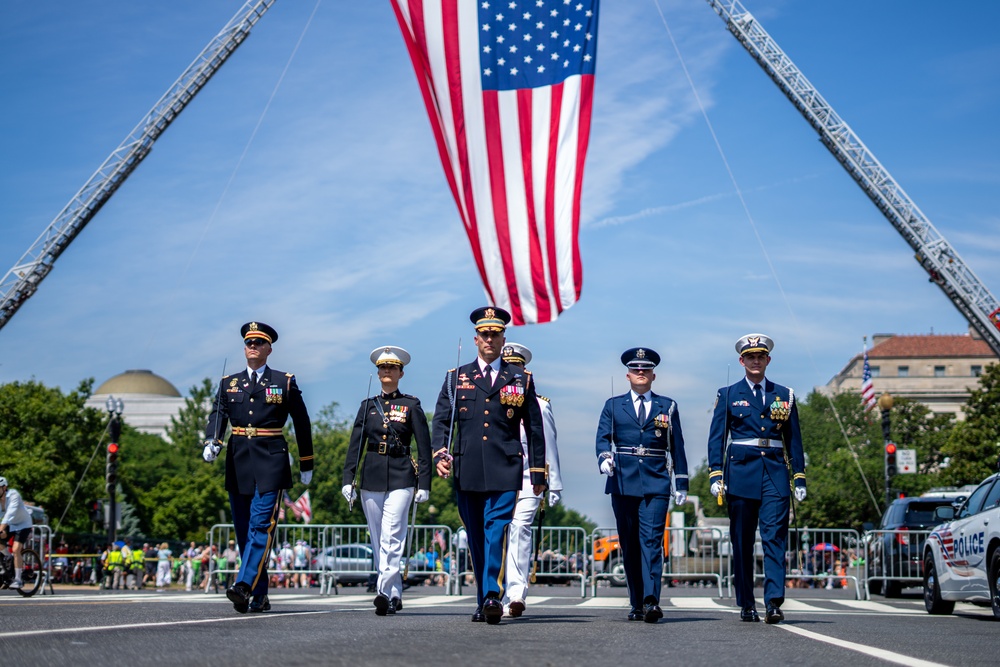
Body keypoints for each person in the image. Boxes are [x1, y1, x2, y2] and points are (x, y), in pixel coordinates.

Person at [431, 307, 545, 625]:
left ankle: (493, 594)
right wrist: (441, 453)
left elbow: (534, 428)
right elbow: (442, 420)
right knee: (477, 536)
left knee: (496, 529)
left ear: (503, 338)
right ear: (476, 339)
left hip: (506, 467)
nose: (490, 339)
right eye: (485, 334)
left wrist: (537, 472)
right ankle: (484, 600)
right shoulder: (456, 378)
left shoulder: (520, 378)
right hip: (467, 468)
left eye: (496, 334)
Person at [202, 321, 314, 614]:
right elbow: (219, 413)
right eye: (249, 343)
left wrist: (306, 462)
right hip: (238, 459)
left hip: (271, 460)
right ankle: (259, 595)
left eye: (259, 343)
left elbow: (302, 423)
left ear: (269, 349)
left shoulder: (283, 381)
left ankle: (243, 585)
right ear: (245, 348)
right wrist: (212, 439)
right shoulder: (230, 383)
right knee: (242, 531)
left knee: (260, 525)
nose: (253, 347)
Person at [707, 333, 806, 624]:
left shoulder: (784, 395)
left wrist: (798, 477)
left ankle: (774, 602)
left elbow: (794, 440)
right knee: (742, 540)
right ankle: (747, 603)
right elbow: (717, 438)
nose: (755, 361)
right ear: (742, 361)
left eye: (760, 356)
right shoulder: (728, 394)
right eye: (750, 357)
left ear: (768, 360)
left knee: (775, 538)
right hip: (741, 472)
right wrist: (716, 473)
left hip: (775, 473)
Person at [596, 348, 689, 623]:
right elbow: (603, 438)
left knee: (651, 542)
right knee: (629, 544)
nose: (641, 373)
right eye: (636, 369)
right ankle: (636, 602)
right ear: (628, 375)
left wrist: (681, 482)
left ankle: (651, 602)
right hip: (622, 481)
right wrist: (604, 458)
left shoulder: (667, 406)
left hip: (656, 482)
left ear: (653, 375)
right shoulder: (613, 405)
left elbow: (677, 447)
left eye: (645, 370)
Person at [342, 346, 432, 616]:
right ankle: (393, 593)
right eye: (383, 368)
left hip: (402, 474)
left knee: (392, 536)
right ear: (378, 373)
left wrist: (424, 484)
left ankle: (382, 590)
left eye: (392, 367)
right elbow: (355, 446)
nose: (387, 371)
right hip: (372, 475)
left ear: (401, 373)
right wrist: (349, 478)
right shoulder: (367, 406)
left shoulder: (411, 405)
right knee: (378, 538)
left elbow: (424, 448)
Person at [498, 343, 563, 619]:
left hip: (529, 476)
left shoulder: (539, 403)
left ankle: (516, 594)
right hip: (499, 474)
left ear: (525, 370)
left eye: (518, 367)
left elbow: (549, 443)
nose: (514, 372)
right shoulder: (494, 398)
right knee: (498, 532)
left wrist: (554, 483)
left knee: (519, 528)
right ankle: (496, 591)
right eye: (509, 366)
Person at [0, 477, 33, 590]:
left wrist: (1, 528)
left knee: (16, 549)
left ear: (4, 488)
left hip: (23, 524)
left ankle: (18, 579)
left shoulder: (14, 495)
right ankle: (9, 559)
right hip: (10, 525)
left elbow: (10, 514)